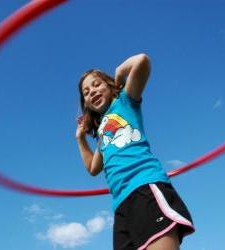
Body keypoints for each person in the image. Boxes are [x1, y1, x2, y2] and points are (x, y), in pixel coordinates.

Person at [76, 53, 195, 250]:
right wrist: (80, 138)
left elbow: (142, 61)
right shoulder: (103, 133)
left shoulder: (125, 101)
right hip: (121, 206)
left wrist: (119, 74)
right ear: (86, 103)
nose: (92, 92)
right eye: (86, 92)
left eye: (97, 84)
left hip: (144, 187)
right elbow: (92, 168)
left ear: (109, 85)